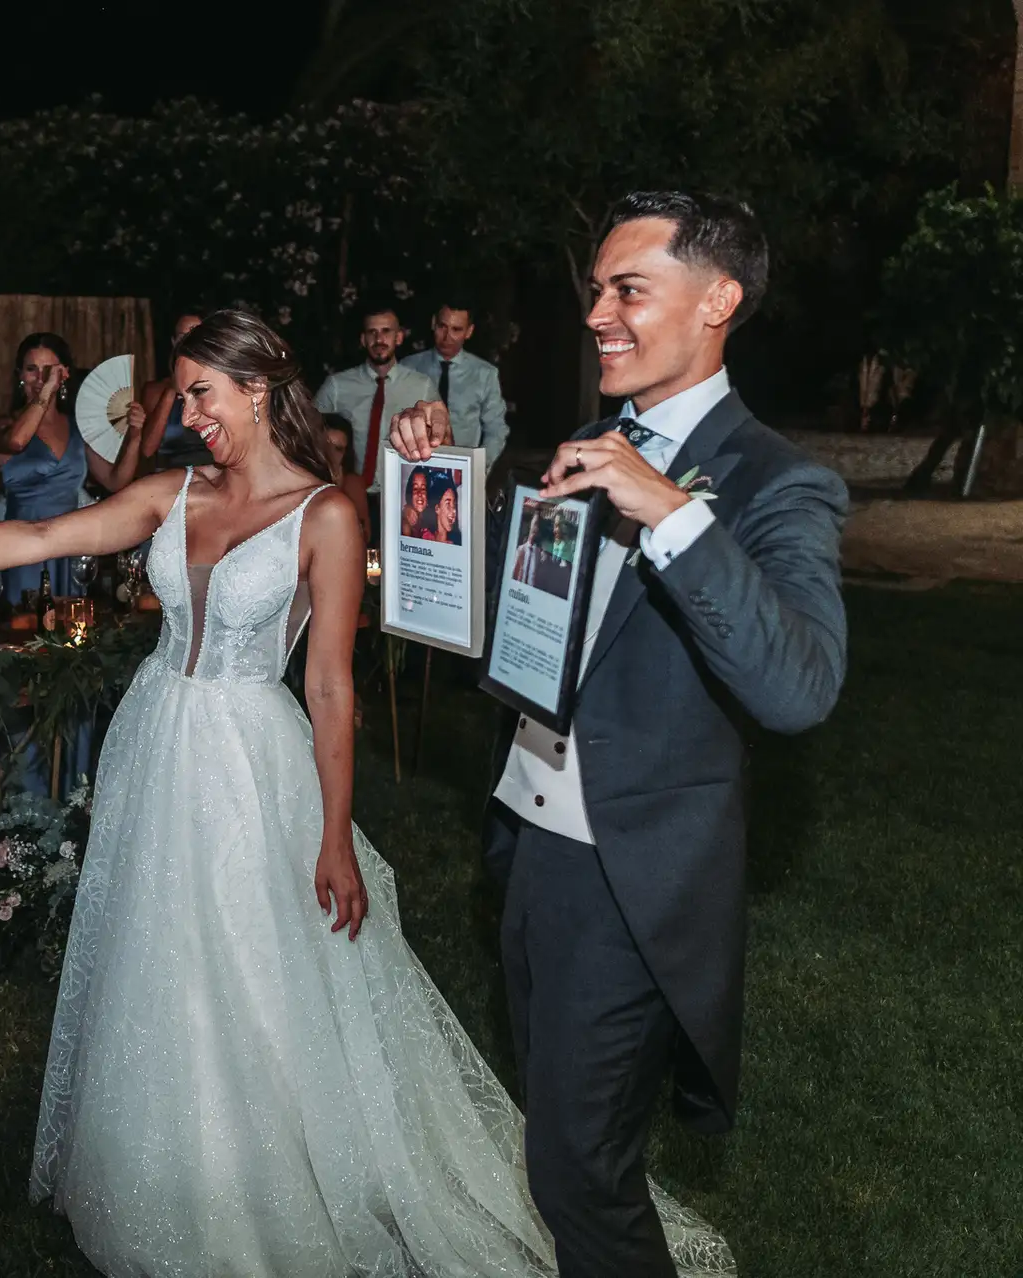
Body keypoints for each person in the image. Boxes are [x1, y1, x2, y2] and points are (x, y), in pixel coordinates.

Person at [0, 309, 732, 1278]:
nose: (187, 414)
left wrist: (336, 835)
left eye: (201, 395)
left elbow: (332, 688)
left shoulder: (327, 515)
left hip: (252, 756)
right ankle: (161, 1168)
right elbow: (40, 533)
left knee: (256, 962)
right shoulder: (174, 491)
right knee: (158, 952)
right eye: (184, 397)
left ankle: (271, 1171)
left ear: (257, 390)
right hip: (158, 738)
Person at [395, 190, 845, 1277]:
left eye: (627, 289)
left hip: (629, 877)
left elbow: (799, 688)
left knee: (580, 1177)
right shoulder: (591, 442)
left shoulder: (780, 482)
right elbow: (521, 626)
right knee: (562, 1146)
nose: (597, 314)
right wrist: (442, 480)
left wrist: (673, 513)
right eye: (597, 290)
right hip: (528, 844)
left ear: (718, 301)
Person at [0, 332, 145, 604]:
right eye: (32, 369)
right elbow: (17, 442)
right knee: (23, 624)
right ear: (20, 375)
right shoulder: (4, 425)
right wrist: (47, 390)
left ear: (64, 375)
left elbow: (116, 482)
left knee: (70, 624)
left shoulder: (77, 427)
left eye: (49, 370)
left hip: (70, 547)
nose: (41, 378)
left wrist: (135, 437)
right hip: (22, 546)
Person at [314, 305, 439, 489]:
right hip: (349, 493)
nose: (379, 339)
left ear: (399, 337)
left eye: (386, 331)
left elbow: (439, 442)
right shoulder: (336, 386)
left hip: (403, 491)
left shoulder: (423, 386)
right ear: (363, 340)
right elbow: (307, 435)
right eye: (372, 332)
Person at [402, 301, 510, 467]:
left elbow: (496, 430)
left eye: (456, 329)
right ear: (433, 323)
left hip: (464, 467)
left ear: (469, 331)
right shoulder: (408, 367)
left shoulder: (485, 374)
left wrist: (478, 467)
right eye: (442, 327)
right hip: (414, 464)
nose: (447, 337)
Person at [130, 309, 213, 471]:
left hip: (213, 477)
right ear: (174, 342)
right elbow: (147, 450)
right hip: (170, 478)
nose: (189, 343)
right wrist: (171, 391)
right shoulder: (155, 390)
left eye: (195, 335)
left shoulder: (218, 386)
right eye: (183, 337)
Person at [320, 412, 371, 545]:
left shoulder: (352, 483)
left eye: (338, 449)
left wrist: (338, 489)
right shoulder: (299, 478)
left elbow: (363, 536)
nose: (331, 454)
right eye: (326, 446)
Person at [419, 473, 462, 546]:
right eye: (448, 503)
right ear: (437, 508)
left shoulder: (456, 544)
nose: (454, 511)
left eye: (454, 505)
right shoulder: (424, 537)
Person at [401, 465, 433, 537]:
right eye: (415, 488)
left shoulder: (432, 519)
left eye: (423, 489)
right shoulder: (406, 527)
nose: (419, 493)